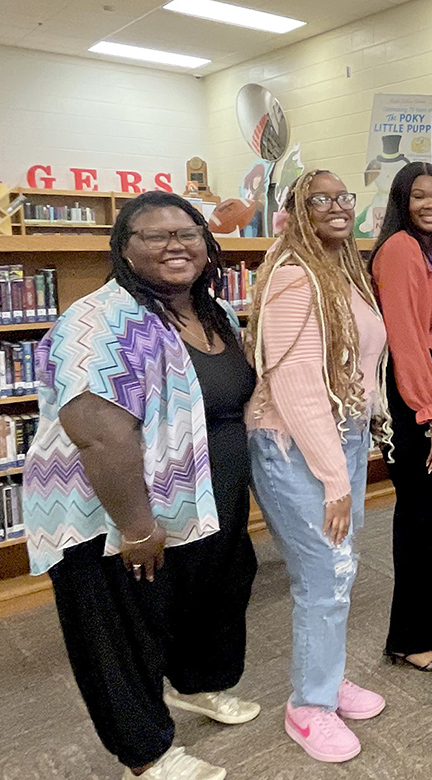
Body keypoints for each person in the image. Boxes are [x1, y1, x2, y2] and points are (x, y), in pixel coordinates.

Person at [23, 192, 259, 780]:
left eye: (188, 233)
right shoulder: (101, 320)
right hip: (112, 511)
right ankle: (148, 752)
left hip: (201, 498)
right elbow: (100, 435)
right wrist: (137, 525)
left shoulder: (213, 314)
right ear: (124, 249)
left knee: (213, 595)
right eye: (155, 235)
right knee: (120, 628)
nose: (176, 245)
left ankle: (198, 686)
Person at [247, 170, 388, 763]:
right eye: (318, 199)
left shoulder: (343, 269)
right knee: (325, 575)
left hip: (343, 434)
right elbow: (299, 385)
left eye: (342, 197)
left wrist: (370, 428)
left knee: (340, 570)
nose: (334, 206)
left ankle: (325, 677)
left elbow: (364, 358)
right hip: (296, 445)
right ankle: (308, 706)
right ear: (294, 211)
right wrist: (334, 478)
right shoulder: (290, 278)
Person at [371, 162, 432, 672]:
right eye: (419, 196)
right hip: (413, 398)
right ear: (401, 202)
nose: (430, 204)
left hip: (427, 390)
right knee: (418, 519)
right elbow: (406, 339)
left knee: (428, 517)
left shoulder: (429, 250)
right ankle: (412, 640)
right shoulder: (401, 250)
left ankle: (431, 629)